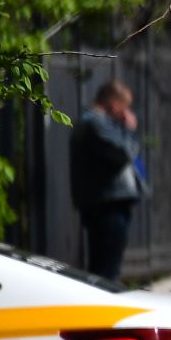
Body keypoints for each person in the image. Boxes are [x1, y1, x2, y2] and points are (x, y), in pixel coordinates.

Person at [69, 80, 144, 280]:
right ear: (113, 104)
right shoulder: (94, 123)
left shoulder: (99, 123)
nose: (126, 113)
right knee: (106, 271)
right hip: (106, 207)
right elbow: (123, 152)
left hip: (109, 204)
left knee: (106, 265)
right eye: (125, 107)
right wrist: (129, 130)